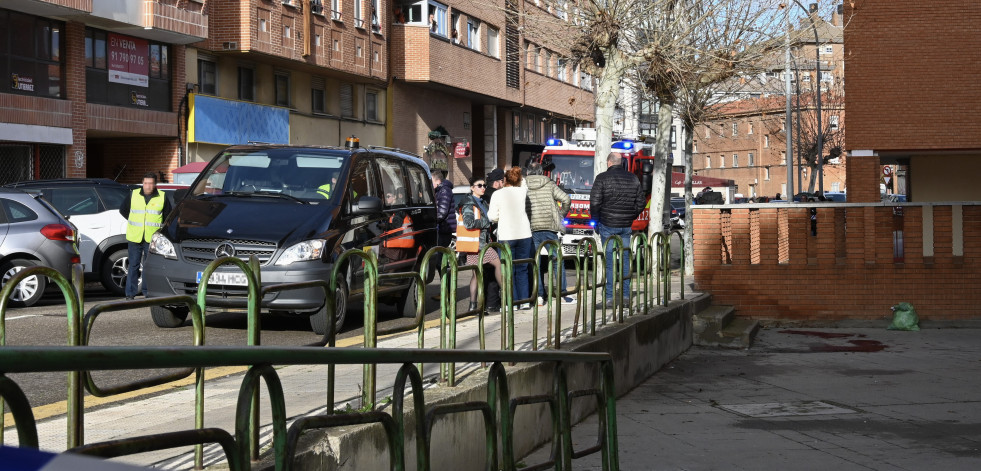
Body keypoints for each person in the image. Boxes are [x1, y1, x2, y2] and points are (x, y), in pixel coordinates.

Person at [590, 152, 645, 309]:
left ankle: (609, 298)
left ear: (609, 162)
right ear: (621, 163)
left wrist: (596, 220)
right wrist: (630, 215)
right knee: (626, 261)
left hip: (607, 225)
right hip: (626, 226)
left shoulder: (602, 178)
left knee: (610, 262)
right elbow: (640, 202)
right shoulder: (633, 178)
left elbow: (594, 202)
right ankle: (626, 297)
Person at [525, 161, 574, 305]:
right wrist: (560, 215)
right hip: (550, 228)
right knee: (557, 261)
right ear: (541, 172)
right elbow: (566, 199)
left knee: (536, 262)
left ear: (528, 172)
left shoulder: (523, 185)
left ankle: (540, 295)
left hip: (531, 228)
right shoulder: (549, 183)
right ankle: (563, 294)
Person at [119, 172, 172, 300]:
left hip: (152, 239)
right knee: (133, 265)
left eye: (151, 183)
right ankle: (130, 294)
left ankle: (148, 292)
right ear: (142, 183)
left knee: (149, 266)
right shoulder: (133, 194)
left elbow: (167, 217)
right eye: (146, 183)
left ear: (155, 184)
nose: (148, 186)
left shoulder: (162, 197)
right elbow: (123, 210)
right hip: (135, 236)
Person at [488, 167, 533, 310]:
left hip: (507, 234)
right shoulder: (522, 191)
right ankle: (524, 301)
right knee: (522, 268)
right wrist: (517, 176)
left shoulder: (497, 194)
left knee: (507, 269)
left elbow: (493, 216)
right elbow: (524, 183)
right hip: (524, 233)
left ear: (504, 180)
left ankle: (511, 302)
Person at [457, 179, 504, 313]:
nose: (483, 188)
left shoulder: (482, 202)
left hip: (480, 243)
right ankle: (506, 295)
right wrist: (486, 221)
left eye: (484, 185)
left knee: (477, 275)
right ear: (472, 188)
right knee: (497, 264)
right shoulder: (468, 204)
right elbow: (469, 223)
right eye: (479, 186)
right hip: (478, 244)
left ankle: (473, 305)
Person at [482, 168, 505, 312]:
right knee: (496, 269)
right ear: (497, 182)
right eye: (502, 181)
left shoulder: (482, 195)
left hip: (480, 239)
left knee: (483, 272)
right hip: (494, 236)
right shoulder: (497, 195)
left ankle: (482, 303)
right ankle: (493, 303)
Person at [431, 170, 457, 274]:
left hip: (443, 229)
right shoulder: (441, 190)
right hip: (443, 229)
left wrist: (432, 219)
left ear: (437, 181)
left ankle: (447, 287)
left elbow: (442, 212)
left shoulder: (444, 190)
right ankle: (447, 286)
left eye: (431, 181)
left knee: (440, 261)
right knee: (440, 260)